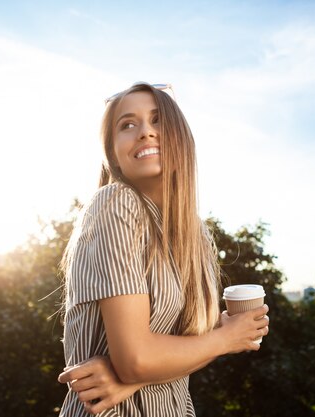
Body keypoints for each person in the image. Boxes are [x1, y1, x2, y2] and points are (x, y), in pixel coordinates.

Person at [57, 82, 269, 416]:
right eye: (128, 124)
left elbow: (166, 354)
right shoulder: (116, 203)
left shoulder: (192, 233)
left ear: (180, 140)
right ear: (112, 153)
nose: (145, 132)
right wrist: (227, 339)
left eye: (158, 121)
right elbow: (137, 358)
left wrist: (132, 380)